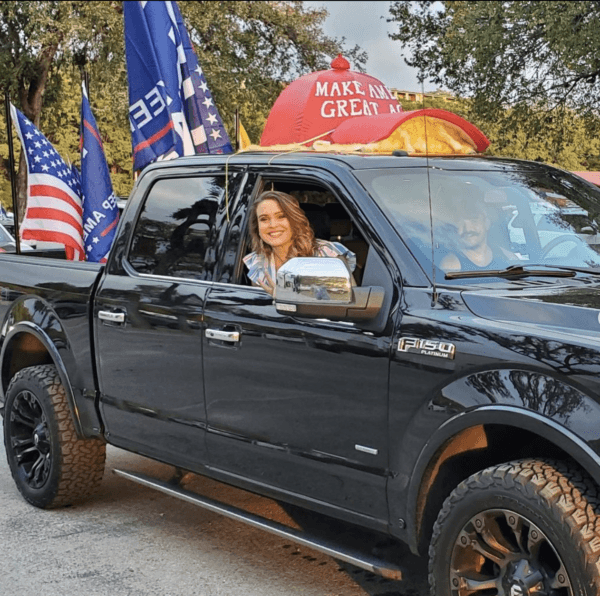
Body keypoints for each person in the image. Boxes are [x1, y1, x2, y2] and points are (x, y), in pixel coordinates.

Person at [243, 190, 356, 295]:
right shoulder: (258, 263)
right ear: (256, 226)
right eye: (264, 219)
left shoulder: (327, 254)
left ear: (295, 220)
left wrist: (287, 296)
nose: (272, 225)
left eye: (281, 216)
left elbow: (353, 303)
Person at [439, 196, 518, 272]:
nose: (468, 229)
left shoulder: (509, 258)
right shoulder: (451, 265)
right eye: (460, 223)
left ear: (486, 223)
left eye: (474, 220)